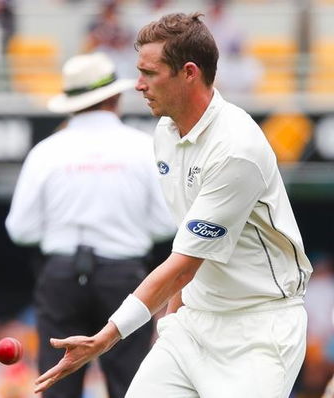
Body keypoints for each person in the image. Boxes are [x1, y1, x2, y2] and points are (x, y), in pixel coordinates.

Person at [34, 13, 313, 398]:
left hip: (259, 327)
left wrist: (106, 337)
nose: (138, 84)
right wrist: (170, 326)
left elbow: (184, 264)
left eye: (149, 73)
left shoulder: (236, 149)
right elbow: (187, 244)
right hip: (194, 323)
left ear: (189, 73)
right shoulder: (164, 132)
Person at [6, 52, 175, 398]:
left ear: (71, 101)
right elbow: (166, 223)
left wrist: (61, 233)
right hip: (124, 277)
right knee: (131, 387)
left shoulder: (46, 151)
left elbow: (20, 229)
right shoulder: (144, 147)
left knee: (57, 385)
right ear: (114, 96)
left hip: (62, 275)